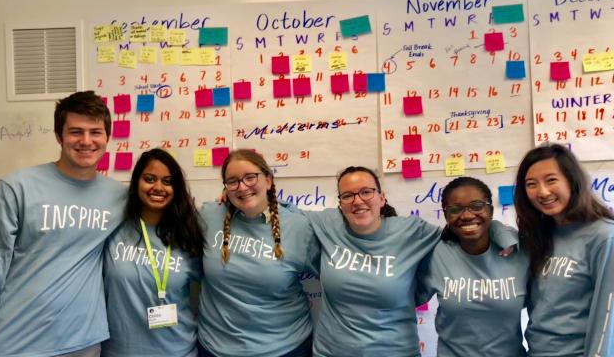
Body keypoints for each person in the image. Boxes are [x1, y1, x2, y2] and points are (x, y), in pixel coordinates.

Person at [0, 91, 126, 357]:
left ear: (107, 137)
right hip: (18, 344)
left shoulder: (119, 196)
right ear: (59, 136)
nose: (86, 141)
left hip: (85, 344)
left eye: (95, 132)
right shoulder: (16, 188)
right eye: (76, 132)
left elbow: (164, 212)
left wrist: (226, 196)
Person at [302, 166, 442, 356]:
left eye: (366, 192)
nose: (357, 201)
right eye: (347, 196)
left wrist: (496, 232)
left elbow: (464, 233)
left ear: (382, 198)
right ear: (341, 204)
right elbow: (283, 213)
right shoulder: (327, 223)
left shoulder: (411, 232)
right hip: (331, 352)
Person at [197, 149, 317, 357]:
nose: (242, 187)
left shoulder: (299, 227)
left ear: (268, 180)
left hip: (284, 348)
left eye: (250, 177)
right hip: (215, 348)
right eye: (233, 181)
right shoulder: (208, 216)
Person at [102, 148, 204, 357]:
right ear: (136, 182)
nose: (158, 187)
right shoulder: (113, 228)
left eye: (167, 181)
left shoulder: (188, 234)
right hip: (119, 351)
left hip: (177, 350)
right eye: (149, 179)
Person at [514, 143, 614, 356]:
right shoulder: (539, 236)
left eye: (551, 180)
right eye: (531, 184)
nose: (542, 191)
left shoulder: (605, 236)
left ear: (572, 180)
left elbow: (608, 317)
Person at [416, 176, 529, 357]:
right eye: (455, 209)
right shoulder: (435, 254)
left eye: (477, 206)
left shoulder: (518, 252)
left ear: (490, 210)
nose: (467, 215)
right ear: (445, 215)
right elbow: (405, 298)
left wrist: (502, 231)